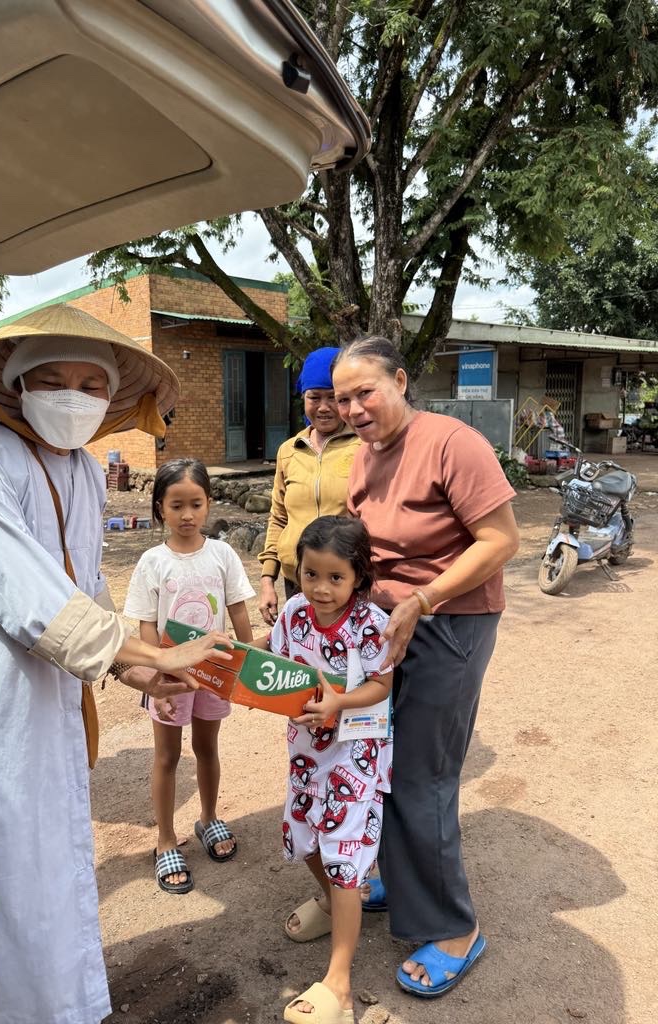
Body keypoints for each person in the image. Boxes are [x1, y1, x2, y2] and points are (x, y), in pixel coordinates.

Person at [0, 303, 234, 1024]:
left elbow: (83, 588)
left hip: (52, 693)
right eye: (53, 380)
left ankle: (66, 1005)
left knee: (53, 854)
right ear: (17, 387)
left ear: (110, 399)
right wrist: (149, 651)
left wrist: (133, 669)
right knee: (4, 866)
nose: (73, 397)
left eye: (91, 384)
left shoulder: (84, 471)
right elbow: (33, 600)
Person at [331, 335, 520, 999]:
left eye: (365, 392)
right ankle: (398, 876)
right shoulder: (364, 454)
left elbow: (502, 539)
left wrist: (423, 599)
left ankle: (454, 928)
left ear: (401, 381)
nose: (353, 408)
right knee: (378, 759)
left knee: (423, 775)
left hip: (450, 623)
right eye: (342, 399)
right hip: (389, 625)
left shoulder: (451, 443)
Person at [262, 515, 393, 1024]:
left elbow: (382, 685)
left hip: (354, 758)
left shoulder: (370, 623)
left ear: (358, 576)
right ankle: (336, 899)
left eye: (335, 577)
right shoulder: (293, 612)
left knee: (344, 854)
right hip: (305, 753)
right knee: (304, 837)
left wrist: (340, 702)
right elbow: (278, 666)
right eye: (311, 574)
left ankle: (340, 984)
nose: (320, 588)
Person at [124, 457, 254, 894]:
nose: (187, 515)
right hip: (171, 677)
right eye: (176, 505)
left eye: (195, 504)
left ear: (208, 504)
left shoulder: (222, 554)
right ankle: (165, 839)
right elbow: (146, 625)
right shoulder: (152, 562)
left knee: (207, 747)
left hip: (214, 673)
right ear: (160, 507)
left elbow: (238, 610)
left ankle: (208, 818)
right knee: (167, 756)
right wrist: (154, 679)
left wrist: (248, 666)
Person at [258, 346, 360, 626]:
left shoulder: (364, 447)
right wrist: (268, 579)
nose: (324, 407)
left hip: (343, 583)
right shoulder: (288, 450)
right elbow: (279, 517)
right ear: (303, 397)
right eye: (314, 397)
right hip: (296, 580)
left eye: (333, 397)